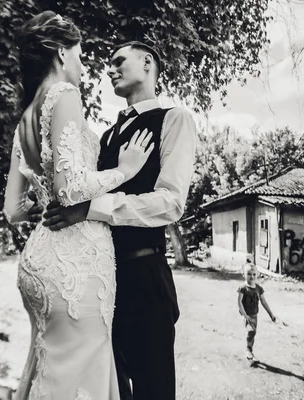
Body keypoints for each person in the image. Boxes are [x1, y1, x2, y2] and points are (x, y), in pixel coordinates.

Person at [32, 41, 196, 400]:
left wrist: (91, 209)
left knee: (153, 392)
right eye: (109, 64)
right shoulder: (106, 137)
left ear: (148, 62)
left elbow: (170, 203)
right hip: (97, 283)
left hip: (144, 279)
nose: (110, 70)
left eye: (119, 61)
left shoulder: (174, 119)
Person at [3, 11, 155, 399]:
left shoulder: (25, 117)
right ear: (59, 52)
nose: (84, 65)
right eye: (80, 54)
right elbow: (71, 191)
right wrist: (124, 170)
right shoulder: (63, 95)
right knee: (78, 378)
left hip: (38, 261)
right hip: (75, 267)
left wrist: (43, 201)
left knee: (50, 370)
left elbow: (13, 210)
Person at [237, 263, 278, 365]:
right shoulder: (243, 288)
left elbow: (264, 302)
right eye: (249, 274)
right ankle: (248, 349)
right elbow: (239, 302)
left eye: (254, 274)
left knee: (253, 333)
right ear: (244, 274)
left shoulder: (259, 289)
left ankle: (250, 351)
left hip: (255, 315)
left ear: (257, 274)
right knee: (251, 331)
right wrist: (245, 315)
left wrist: (271, 314)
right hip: (246, 315)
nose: (252, 276)